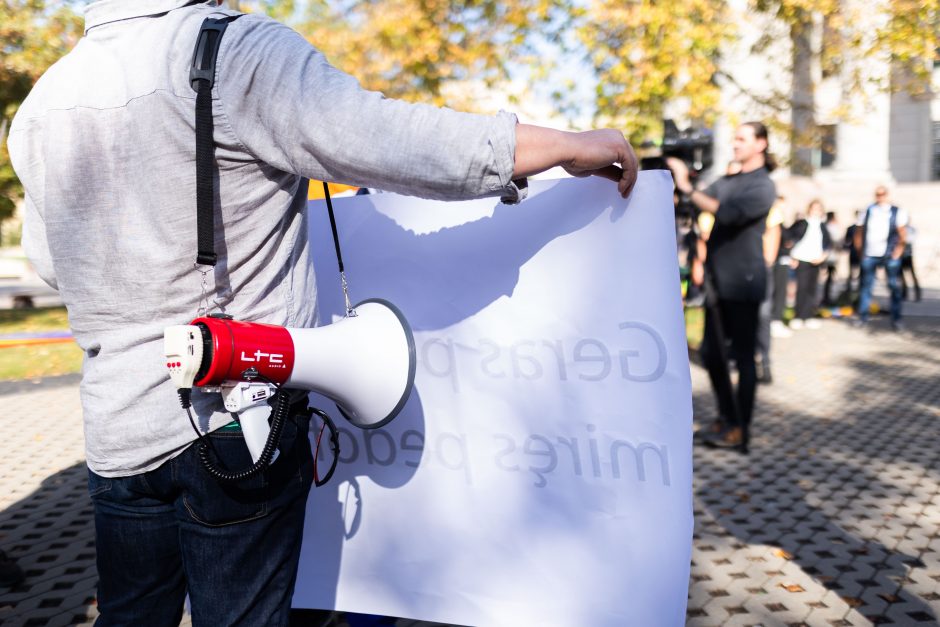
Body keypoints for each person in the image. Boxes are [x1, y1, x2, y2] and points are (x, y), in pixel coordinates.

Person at [7, 2, 638, 625]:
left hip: (117, 426)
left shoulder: (43, 102)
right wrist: (562, 145)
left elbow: (53, 263)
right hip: (233, 418)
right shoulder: (232, 51)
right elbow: (390, 139)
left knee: (129, 615)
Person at [667, 122, 777, 452]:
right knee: (713, 354)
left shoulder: (763, 186)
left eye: (742, 139)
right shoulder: (727, 180)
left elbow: (727, 214)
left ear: (761, 144)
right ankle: (726, 417)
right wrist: (679, 183)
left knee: (743, 357)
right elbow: (700, 200)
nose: (735, 144)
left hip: (744, 280)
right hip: (716, 278)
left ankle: (741, 428)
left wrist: (686, 184)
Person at [853, 186, 908, 331]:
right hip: (870, 254)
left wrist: (898, 250)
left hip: (889, 254)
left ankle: (896, 319)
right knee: (866, 287)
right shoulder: (868, 210)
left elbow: (903, 233)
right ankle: (863, 317)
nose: (880, 197)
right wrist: (860, 250)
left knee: (893, 286)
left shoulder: (897, 211)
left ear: (887, 195)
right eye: (878, 194)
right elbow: (858, 231)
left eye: (883, 194)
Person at [788, 199, 832, 329]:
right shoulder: (802, 223)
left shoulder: (822, 225)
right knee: (801, 287)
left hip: (816, 260)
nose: (816, 211)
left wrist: (823, 256)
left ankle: (808, 316)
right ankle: (798, 316)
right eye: (814, 208)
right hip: (801, 259)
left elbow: (828, 244)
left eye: (819, 209)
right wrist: (792, 257)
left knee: (812, 289)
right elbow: (791, 239)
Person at [756, 192, 785, 383]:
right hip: (734, 270)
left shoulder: (769, 209)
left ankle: (765, 360)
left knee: (763, 314)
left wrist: (765, 261)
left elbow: (772, 244)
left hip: (759, 268)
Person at [822, 210, 842, 306]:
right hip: (830, 256)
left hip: (826, 255)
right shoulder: (832, 227)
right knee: (829, 278)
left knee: (828, 277)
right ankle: (827, 297)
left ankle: (826, 297)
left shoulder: (824, 226)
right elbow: (838, 241)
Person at [900, 222, 922, 302]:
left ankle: (917, 294)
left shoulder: (911, 229)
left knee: (912, 275)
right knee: (901, 276)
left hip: (908, 255)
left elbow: (909, 240)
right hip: (901, 256)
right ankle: (904, 293)